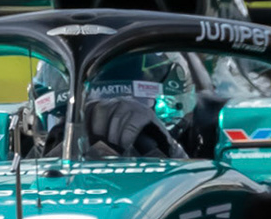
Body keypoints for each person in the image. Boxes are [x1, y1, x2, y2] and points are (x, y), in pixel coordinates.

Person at [27, 51, 222, 157]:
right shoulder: (24, 136)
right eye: (86, 114)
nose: (100, 140)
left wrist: (172, 155)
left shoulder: (215, 124)